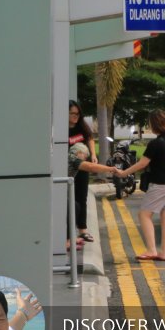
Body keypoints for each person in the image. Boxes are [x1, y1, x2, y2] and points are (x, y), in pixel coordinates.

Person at [120, 110, 165, 262]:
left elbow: (142, 164)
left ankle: (151, 250)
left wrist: (123, 173)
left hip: (162, 183)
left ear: (152, 125)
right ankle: (164, 253)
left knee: (144, 215)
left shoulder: (155, 144)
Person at [68, 100, 98, 244]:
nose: (75, 116)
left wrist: (93, 154)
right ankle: (68, 234)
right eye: (72, 113)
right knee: (70, 201)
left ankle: (83, 230)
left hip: (83, 168)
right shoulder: (61, 130)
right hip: (69, 170)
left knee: (82, 198)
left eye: (78, 114)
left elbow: (90, 138)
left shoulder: (81, 127)